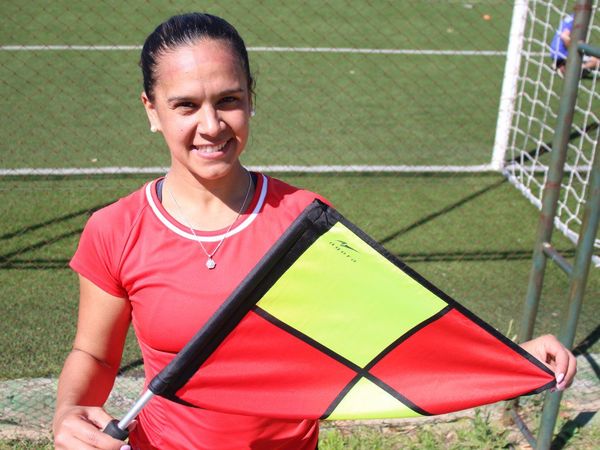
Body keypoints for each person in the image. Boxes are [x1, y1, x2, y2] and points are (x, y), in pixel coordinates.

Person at [53, 12, 577, 450]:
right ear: (151, 111)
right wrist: (68, 413)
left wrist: (509, 357)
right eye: (186, 105)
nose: (211, 125)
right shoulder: (115, 229)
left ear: (251, 99)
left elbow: (386, 328)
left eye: (229, 100)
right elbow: (95, 355)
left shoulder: (303, 220)